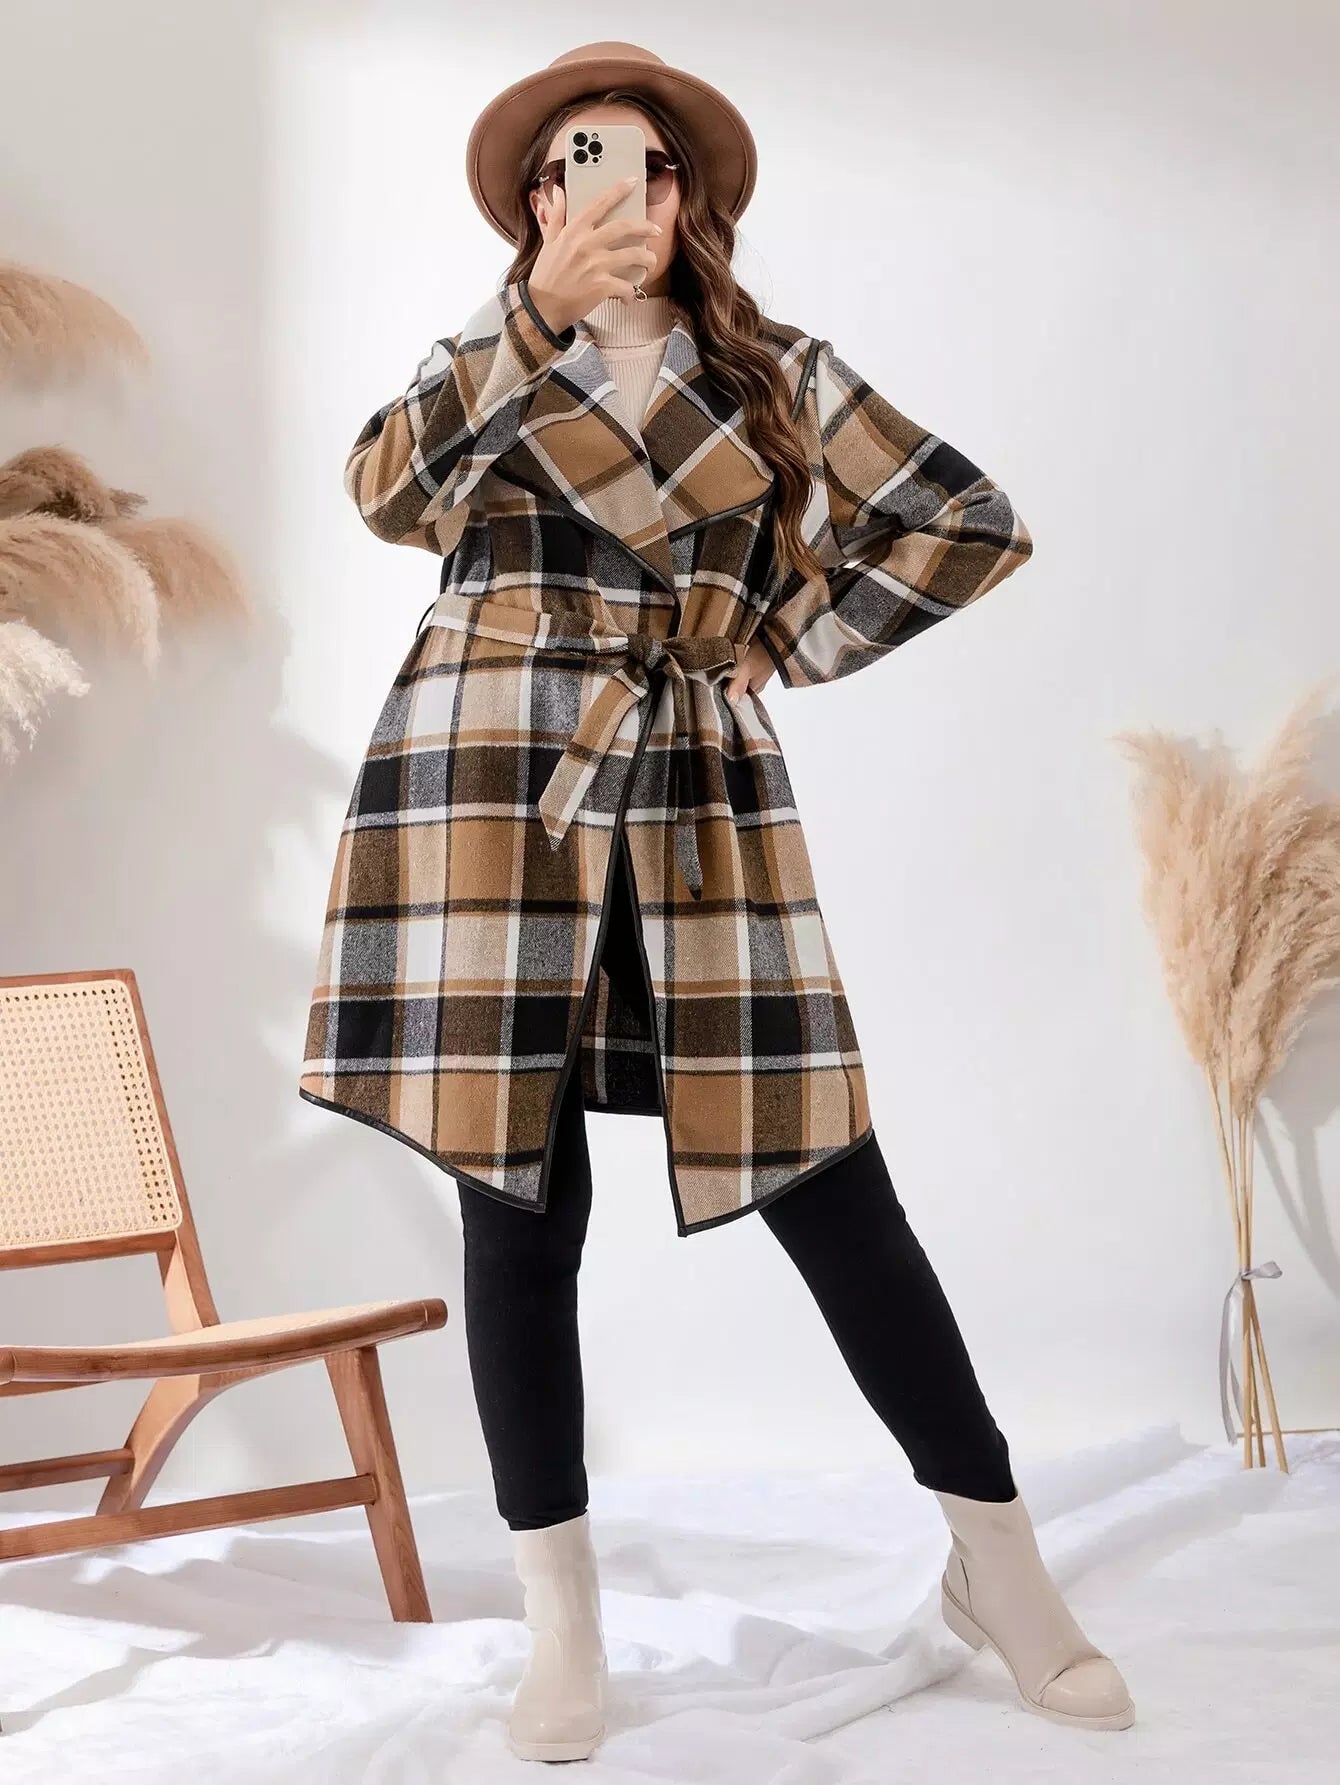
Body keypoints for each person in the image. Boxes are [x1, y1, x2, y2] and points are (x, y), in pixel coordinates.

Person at [301, 39, 1135, 1764]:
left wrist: (780, 641)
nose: (611, 188)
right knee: (516, 1202)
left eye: (643, 162)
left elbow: (965, 521)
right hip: (489, 791)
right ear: (535, 205)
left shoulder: (777, 377)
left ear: (690, 198)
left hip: (692, 785)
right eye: (573, 162)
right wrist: (530, 319)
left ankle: (1001, 1568)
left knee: (831, 1181)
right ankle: (563, 1625)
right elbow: (384, 491)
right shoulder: (490, 365)